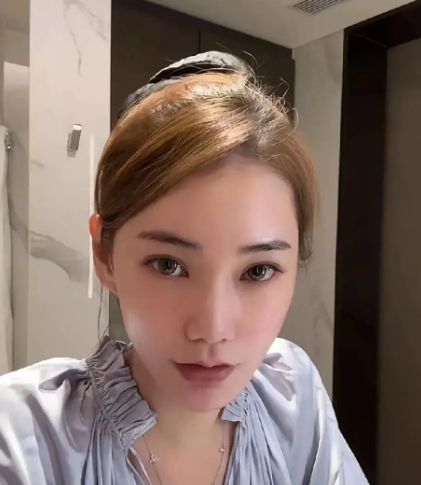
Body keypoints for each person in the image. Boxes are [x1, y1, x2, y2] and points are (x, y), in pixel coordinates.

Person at [0, 51, 368, 485]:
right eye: (169, 265)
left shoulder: (291, 393)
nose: (212, 329)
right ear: (105, 254)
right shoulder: (23, 437)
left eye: (258, 271)